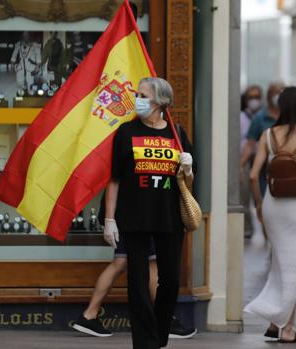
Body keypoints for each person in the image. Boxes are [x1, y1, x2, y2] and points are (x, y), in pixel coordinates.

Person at [102, 77, 194, 349]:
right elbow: (114, 179)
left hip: (169, 217)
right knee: (138, 283)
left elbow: (188, 184)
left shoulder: (176, 133)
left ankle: (159, 335)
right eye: (136, 93)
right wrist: (109, 219)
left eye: (142, 94)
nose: (136, 98)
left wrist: (188, 168)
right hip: (135, 217)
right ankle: (145, 343)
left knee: (171, 281)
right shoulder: (126, 132)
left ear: (160, 102)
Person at [245, 86, 296, 343]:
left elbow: (252, 175)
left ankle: (275, 323)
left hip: (273, 204)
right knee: (293, 266)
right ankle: (289, 329)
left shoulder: (268, 134)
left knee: (280, 264)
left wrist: (259, 205)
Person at [240, 81, 285, 197]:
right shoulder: (260, 119)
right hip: (265, 170)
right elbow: (250, 145)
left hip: (286, 166)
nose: (278, 96)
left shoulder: (288, 116)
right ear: (269, 96)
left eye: (281, 93)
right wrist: (241, 165)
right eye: (275, 93)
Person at [240, 85, 264, 238]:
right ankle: (247, 230)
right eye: (251, 97)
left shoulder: (264, 117)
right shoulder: (240, 116)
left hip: (262, 160)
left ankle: (266, 231)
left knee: (262, 195)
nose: (254, 100)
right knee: (244, 195)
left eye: (257, 97)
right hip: (246, 159)